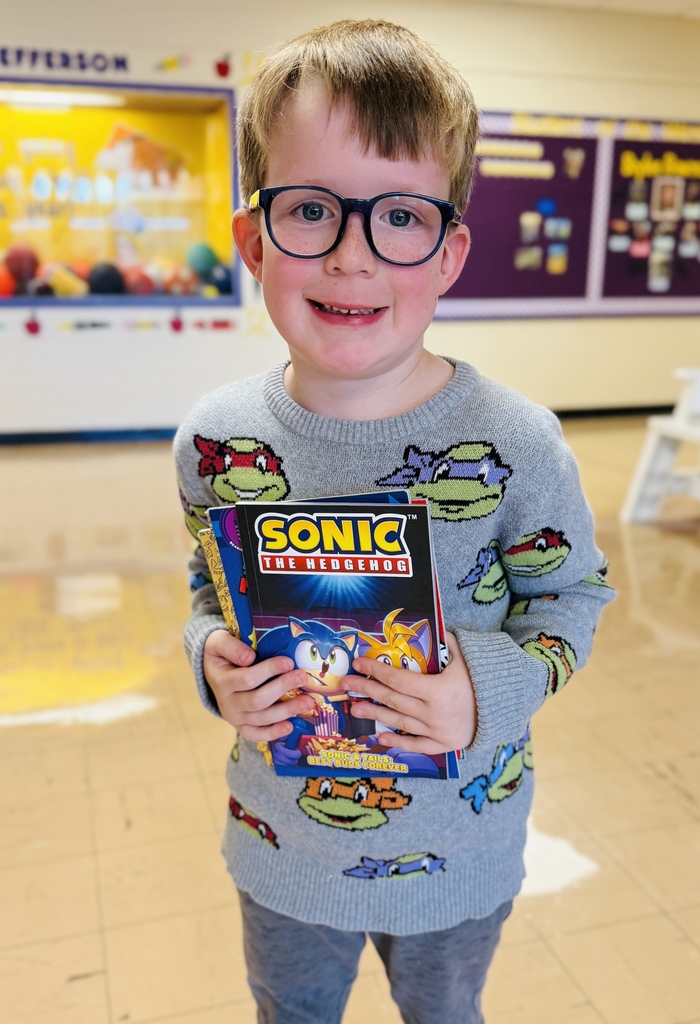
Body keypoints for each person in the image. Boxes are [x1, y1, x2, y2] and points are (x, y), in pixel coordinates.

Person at [174, 19, 615, 1024]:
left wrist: (487, 689)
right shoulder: (214, 439)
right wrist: (211, 657)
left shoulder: (516, 442)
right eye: (312, 209)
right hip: (286, 845)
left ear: (450, 251)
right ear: (253, 238)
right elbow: (208, 587)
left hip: (460, 849)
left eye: (401, 218)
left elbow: (573, 596)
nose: (351, 257)